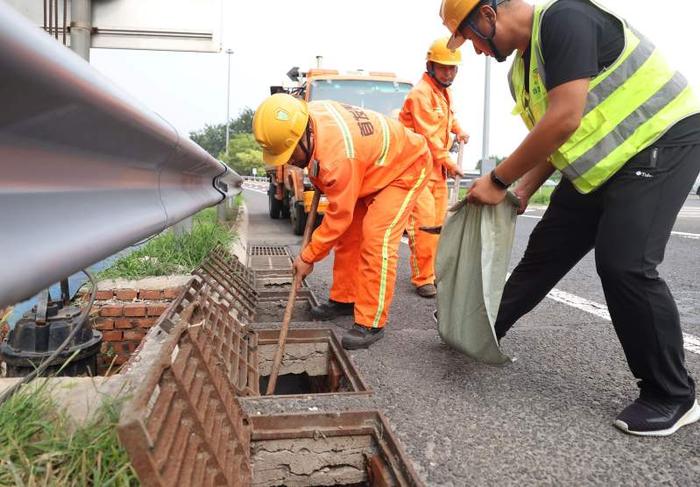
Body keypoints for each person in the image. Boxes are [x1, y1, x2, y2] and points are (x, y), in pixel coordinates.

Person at [439, 0, 700, 436]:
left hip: (661, 139)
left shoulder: (565, 19)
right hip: (602, 164)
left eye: (474, 39)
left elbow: (565, 118)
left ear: (488, 13)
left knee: (625, 264)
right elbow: (553, 136)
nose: (478, 52)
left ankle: (672, 394)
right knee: (545, 254)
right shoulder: (519, 73)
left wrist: (500, 179)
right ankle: (483, 330)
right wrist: (523, 188)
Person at [252, 94, 431, 349]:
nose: (290, 161)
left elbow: (338, 217)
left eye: (291, 154)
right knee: (350, 238)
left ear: (304, 136)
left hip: (405, 168)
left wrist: (307, 257)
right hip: (369, 169)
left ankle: (371, 321)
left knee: (376, 238)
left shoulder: (337, 158)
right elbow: (342, 223)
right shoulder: (307, 117)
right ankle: (345, 299)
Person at [399, 37, 470, 298]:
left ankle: (434, 272)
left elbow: (448, 118)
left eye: (452, 68)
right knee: (425, 226)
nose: (448, 72)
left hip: (435, 170)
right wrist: (451, 163)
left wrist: (459, 131)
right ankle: (422, 279)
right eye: (443, 67)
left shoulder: (443, 91)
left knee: (440, 225)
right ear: (430, 65)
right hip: (416, 169)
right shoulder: (420, 94)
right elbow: (428, 136)